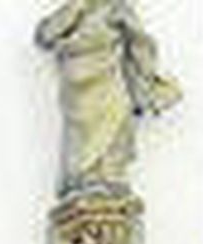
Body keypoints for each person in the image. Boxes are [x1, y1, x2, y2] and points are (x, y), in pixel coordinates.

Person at [35, 0, 181, 198]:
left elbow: (140, 45)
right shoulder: (74, 9)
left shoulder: (118, 10)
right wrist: (77, 9)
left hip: (111, 81)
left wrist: (150, 81)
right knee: (83, 133)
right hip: (81, 86)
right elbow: (45, 35)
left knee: (116, 126)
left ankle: (109, 175)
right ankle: (83, 178)